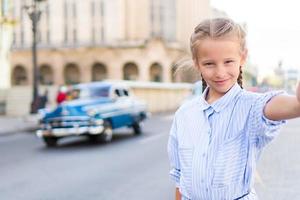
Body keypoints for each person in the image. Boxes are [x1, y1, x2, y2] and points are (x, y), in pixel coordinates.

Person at [167, 17, 300, 200]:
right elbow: (180, 178)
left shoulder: (251, 107)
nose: (220, 72)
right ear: (197, 63)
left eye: (228, 61)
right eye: (209, 64)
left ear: (242, 58)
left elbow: (292, 105)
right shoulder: (184, 115)